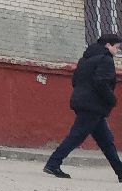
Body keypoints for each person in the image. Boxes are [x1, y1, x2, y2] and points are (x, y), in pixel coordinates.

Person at [43, 33, 122, 181]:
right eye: (116, 47)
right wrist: (112, 99)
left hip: (83, 102)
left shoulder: (85, 59)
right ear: (108, 45)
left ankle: (120, 172)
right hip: (94, 105)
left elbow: (75, 80)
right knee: (76, 136)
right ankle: (53, 163)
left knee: (106, 140)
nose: (117, 51)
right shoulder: (105, 59)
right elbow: (102, 82)